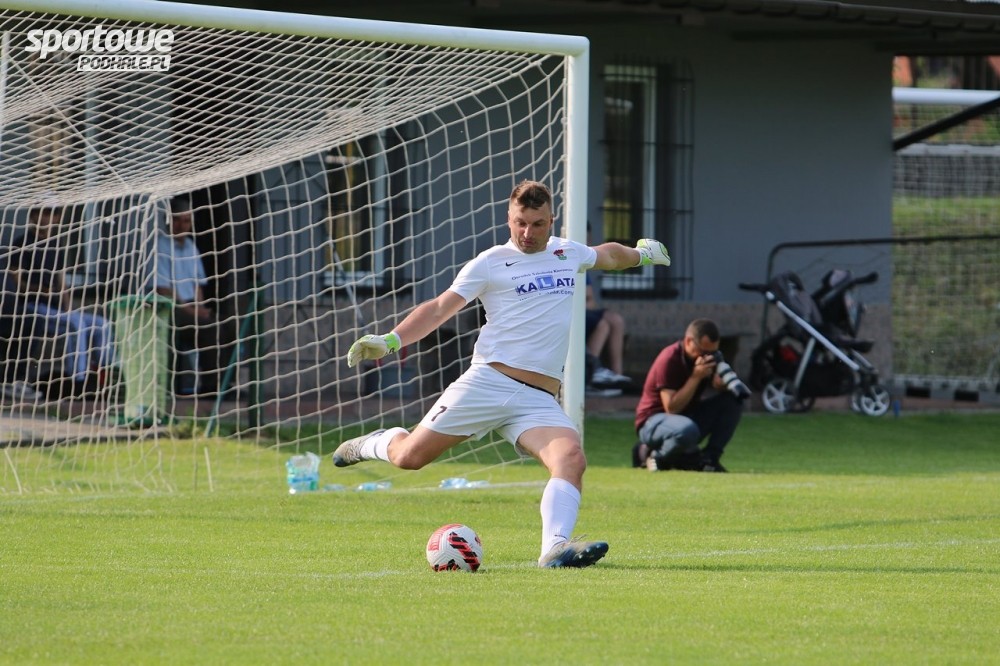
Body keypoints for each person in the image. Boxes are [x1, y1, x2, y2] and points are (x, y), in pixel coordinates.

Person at [332, 179, 672, 568]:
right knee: (409, 457)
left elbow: (608, 255)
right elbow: (439, 308)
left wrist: (641, 255)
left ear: (551, 221)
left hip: (537, 400)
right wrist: (391, 340)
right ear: (509, 218)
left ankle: (555, 548)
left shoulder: (566, 252)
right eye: (520, 223)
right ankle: (376, 442)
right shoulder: (490, 262)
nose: (527, 233)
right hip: (487, 384)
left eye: (537, 224)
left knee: (571, 457)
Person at [6, 203, 116, 391]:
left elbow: (62, 282)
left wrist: (68, 307)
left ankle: (104, 377)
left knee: (101, 324)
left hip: (56, 310)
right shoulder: (22, 243)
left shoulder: (56, 245)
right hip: (32, 308)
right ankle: (78, 382)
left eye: (51, 213)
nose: (45, 218)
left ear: (57, 218)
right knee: (76, 325)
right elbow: (15, 283)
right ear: (32, 216)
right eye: (41, 213)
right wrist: (40, 290)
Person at [634, 318, 744, 473]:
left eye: (713, 352)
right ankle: (655, 455)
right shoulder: (669, 359)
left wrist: (721, 384)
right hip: (653, 422)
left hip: (686, 419)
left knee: (732, 401)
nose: (707, 356)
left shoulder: (706, 359)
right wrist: (696, 377)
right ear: (688, 342)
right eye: (703, 351)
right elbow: (671, 408)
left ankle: (710, 458)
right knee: (687, 429)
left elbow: (717, 388)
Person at [154, 197, 231, 396]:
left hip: (190, 306)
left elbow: (197, 284)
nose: (182, 226)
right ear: (169, 220)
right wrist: (191, 310)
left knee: (228, 325)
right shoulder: (161, 246)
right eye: (178, 220)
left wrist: (200, 307)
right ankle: (211, 388)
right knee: (209, 328)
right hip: (169, 308)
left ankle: (225, 384)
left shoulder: (191, 247)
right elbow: (163, 290)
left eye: (186, 221)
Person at [585, 272, 631, 390]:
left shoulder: (581, 267)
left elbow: (590, 300)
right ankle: (591, 371)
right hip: (570, 311)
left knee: (616, 320)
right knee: (602, 325)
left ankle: (617, 374)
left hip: (584, 310)